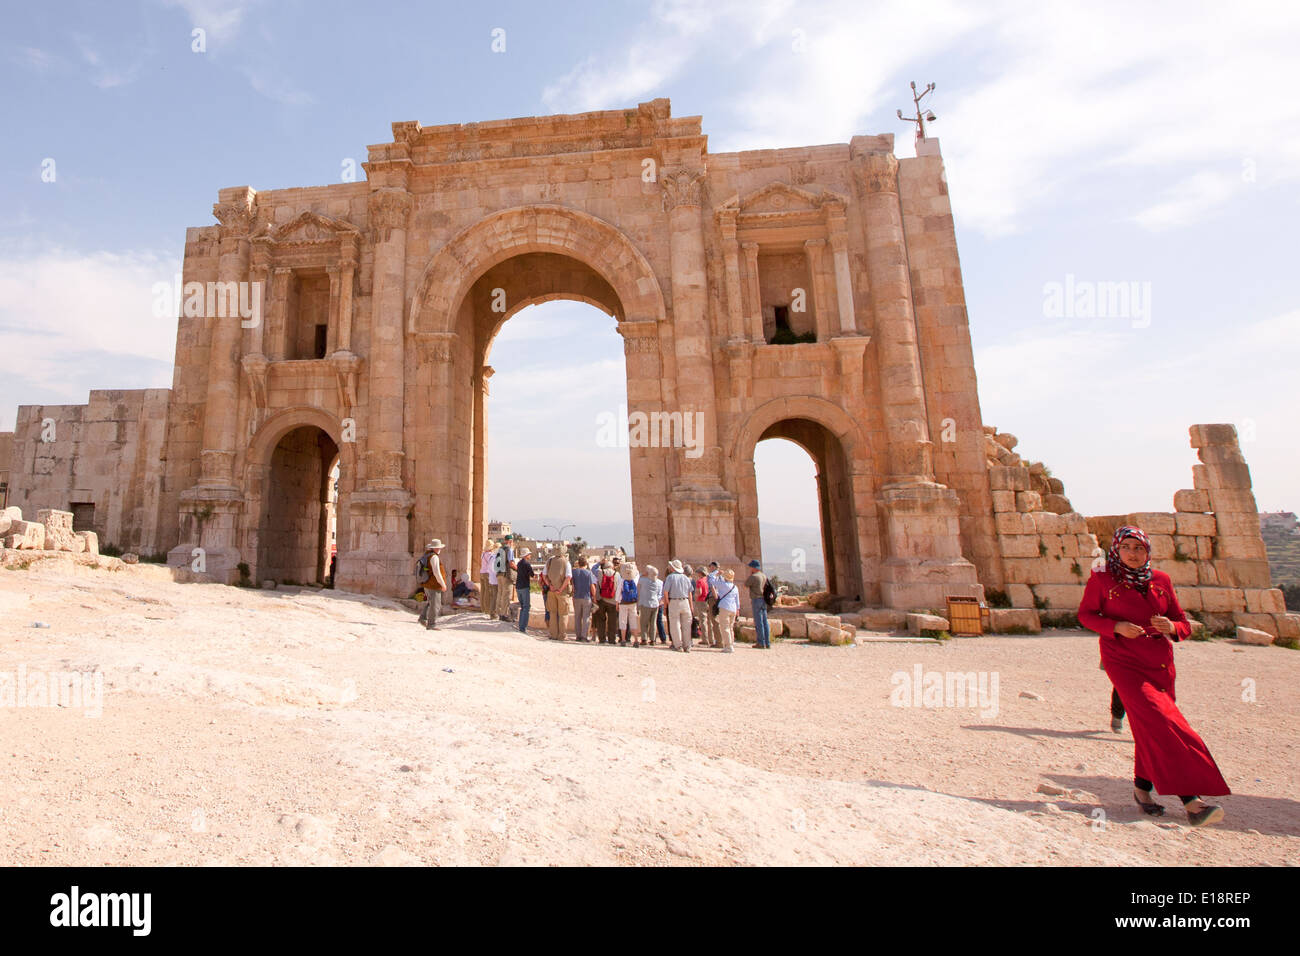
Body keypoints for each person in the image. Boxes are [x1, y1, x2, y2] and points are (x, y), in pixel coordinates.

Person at [1077, 526, 1229, 827]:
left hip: (1160, 665)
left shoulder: (1161, 580)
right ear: (1117, 550)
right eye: (1128, 547)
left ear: (1148, 551)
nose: (1133, 554)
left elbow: (1182, 621)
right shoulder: (1102, 579)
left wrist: (1171, 628)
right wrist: (1116, 627)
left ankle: (1142, 789)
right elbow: (1086, 614)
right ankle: (1192, 800)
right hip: (1124, 662)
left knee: (1152, 726)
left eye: (1139, 548)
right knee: (1164, 722)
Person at [662, 559, 694, 652]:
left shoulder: (670, 577)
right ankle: (687, 645)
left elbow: (666, 592)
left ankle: (678, 645)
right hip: (685, 602)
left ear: (673, 568)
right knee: (687, 625)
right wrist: (691, 606)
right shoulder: (686, 578)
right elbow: (690, 593)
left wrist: (666, 604)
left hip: (674, 601)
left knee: (675, 624)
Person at [416, 539, 447, 630]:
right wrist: (443, 584)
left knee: (431, 603)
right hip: (434, 585)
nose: (440, 549)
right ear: (436, 548)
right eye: (439, 548)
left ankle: (422, 618)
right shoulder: (434, 557)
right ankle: (431, 624)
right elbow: (437, 572)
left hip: (427, 584)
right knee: (436, 605)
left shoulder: (427, 555)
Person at [543, 548, 572, 641]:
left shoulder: (550, 561)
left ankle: (553, 634)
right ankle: (562, 635)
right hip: (562, 592)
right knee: (563, 614)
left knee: (552, 613)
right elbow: (568, 577)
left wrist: (550, 585)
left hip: (551, 591)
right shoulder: (566, 562)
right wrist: (561, 588)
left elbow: (544, 575)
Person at [745, 559, 771, 649]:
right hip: (763, 600)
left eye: (751, 567)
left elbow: (746, 584)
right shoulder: (763, 576)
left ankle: (760, 642)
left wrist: (750, 575)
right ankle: (767, 642)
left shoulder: (754, 577)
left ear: (753, 567)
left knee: (758, 622)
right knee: (765, 622)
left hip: (756, 599)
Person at [636, 564, 662, 647]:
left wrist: (642, 574)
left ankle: (644, 639)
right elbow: (659, 594)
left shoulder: (643, 580)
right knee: (653, 623)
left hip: (645, 604)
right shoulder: (659, 582)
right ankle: (653, 639)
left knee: (644, 622)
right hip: (655, 604)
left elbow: (636, 578)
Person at [571, 556, 596, 642]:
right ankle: (584, 636)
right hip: (586, 597)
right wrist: (595, 598)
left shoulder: (574, 572)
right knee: (586, 617)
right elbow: (592, 586)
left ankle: (578, 636)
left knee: (577, 617)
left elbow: (572, 584)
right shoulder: (588, 573)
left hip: (576, 597)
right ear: (586, 564)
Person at [593, 561, 619, 644]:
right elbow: (618, 588)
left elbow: (593, 570)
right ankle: (612, 639)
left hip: (601, 600)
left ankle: (602, 639)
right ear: (612, 567)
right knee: (612, 621)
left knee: (601, 620)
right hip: (613, 600)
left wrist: (596, 599)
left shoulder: (600, 572)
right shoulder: (617, 574)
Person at [494, 535, 516, 621]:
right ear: (510, 541)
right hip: (506, 575)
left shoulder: (500, 549)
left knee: (500, 593)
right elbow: (511, 563)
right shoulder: (509, 550)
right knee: (506, 595)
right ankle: (504, 614)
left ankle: (498, 612)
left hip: (499, 574)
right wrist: (518, 569)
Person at [617, 560, 640, 645]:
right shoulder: (634, 579)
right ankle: (636, 640)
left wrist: (617, 603)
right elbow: (637, 573)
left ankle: (623, 640)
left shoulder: (622, 580)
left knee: (623, 621)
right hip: (632, 603)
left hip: (623, 602)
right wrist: (633, 567)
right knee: (633, 621)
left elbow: (618, 593)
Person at [692, 566, 714, 647]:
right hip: (708, 601)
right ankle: (711, 638)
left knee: (703, 621)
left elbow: (699, 592)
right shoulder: (708, 580)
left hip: (701, 601)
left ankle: (705, 639)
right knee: (709, 621)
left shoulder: (700, 581)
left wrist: (696, 598)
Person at [514, 548, 535, 633]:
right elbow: (532, 574)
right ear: (526, 555)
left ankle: (520, 626)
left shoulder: (519, 563)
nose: (530, 555)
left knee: (522, 607)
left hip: (518, 586)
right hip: (525, 587)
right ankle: (523, 628)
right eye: (529, 554)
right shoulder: (527, 564)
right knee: (526, 607)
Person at [705, 560, 724, 646]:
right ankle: (723, 640)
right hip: (721, 598)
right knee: (721, 619)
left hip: (714, 597)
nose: (709, 568)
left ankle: (719, 642)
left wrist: (715, 598)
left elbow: (712, 587)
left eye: (710, 566)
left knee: (714, 619)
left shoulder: (710, 576)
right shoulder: (721, 576)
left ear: (713, 567)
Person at [481, 538, 498, 621]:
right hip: (487, 573)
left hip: (482, 572)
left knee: (483, 591)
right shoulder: (490, 555)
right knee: (488, 592)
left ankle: (483, 607)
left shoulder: (483, 554)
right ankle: (487, 609)